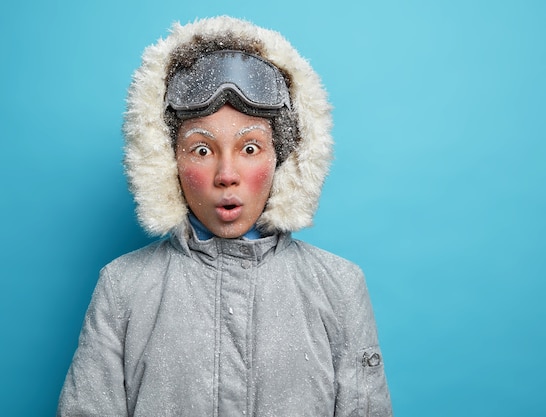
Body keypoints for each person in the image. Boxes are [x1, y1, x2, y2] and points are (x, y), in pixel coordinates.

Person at [57, 16, 392, 417]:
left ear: (283, 157)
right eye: (202, 149)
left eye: (250, 148)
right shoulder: (122, 289)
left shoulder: (338, 288)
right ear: (167, 160)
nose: (227, 175)